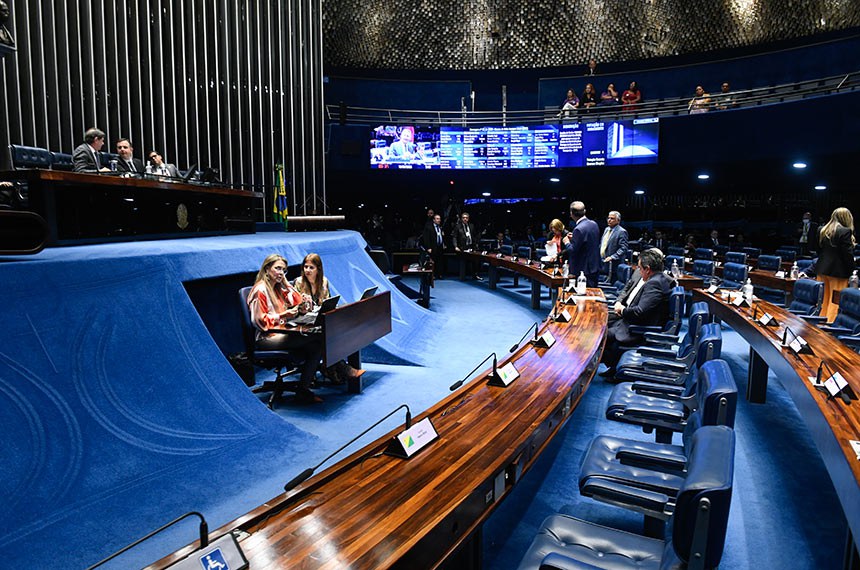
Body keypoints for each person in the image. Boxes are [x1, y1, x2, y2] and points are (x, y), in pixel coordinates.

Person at [247, 254, 324, 403]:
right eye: (277, 268)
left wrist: (287, 284)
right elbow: (259, 322)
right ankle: (305, 388)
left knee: (316, 345)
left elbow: (297, 301)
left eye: (284, 270)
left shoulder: (277, 287)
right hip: (266, 338)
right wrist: (284, 315)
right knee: (316, 337)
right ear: (267, 269)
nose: (281, 273)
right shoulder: (260, 290)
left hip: (280, 333)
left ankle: (303, 390)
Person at [600, 248, 673, 377]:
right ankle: (614, 368)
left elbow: (640, 312)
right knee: (602, 326)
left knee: (601, 335)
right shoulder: (659, 278)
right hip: (635, 321)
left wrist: (622, 310)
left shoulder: (654, 283)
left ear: (648, 269)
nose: (638, 271)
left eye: (640, 268)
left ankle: (616, 370)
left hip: (640, 328)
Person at [293, 253, 366, 383]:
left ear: (318, 269)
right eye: (306, 267)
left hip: (320, 320)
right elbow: (296, 308)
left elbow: (326, 304)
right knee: (327, 338)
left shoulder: (323, 281)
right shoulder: (298, 283)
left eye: (311, 267)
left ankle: (332, 369)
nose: (307, 271)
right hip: (304, 324)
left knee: (341, 332)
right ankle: (341, 368)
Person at [815, 207, 856, 322]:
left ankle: (819, 322)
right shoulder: (845, 231)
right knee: (835, 301)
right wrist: (853, 272)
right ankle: (830, 325)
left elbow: (818, 250)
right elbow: (847, 255)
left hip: (822, 269)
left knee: (822, 299)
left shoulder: (821, 230)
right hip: (839, 272)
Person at [562, 201, 601, 286]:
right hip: (594, 267)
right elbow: (588, 243)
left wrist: (567, 242)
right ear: (585, 211)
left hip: (583, 269)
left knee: (583, 296)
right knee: (592, 294)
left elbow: (572, 251)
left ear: (571, 213)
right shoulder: (594, 224)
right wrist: (575, 238)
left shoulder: (578, 229)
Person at [600, 210, 629, 283]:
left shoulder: (622, 231)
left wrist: (613, 257)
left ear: (618, 221)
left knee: (612, 283)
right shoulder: (606, 229)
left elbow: (623, 248)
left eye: (612, 218)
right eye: (608, 218)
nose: (609, 220)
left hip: (613, 265)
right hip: (603, 263)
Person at [454, 212, 483, 280]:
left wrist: (475, 245)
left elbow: (474, 236)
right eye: (463, 218)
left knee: (475, 261)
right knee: (464, 262)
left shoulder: (471, 226)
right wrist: (455, 246)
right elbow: (454, 237)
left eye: (466, 218)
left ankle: (475, 275)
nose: (465, 219)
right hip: (462, 247)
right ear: (461, 219)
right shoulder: (458, 226)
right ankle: (463, 276)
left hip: (471, 246)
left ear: (468, 219)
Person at [422, 213, 446, 278]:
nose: (439, 220)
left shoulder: (440, 227)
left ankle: (440, 274)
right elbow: (426, 238)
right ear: (434, 220)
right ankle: (433, 275)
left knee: (440, 261)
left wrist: (443, 244)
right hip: (432, 247)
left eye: (439, 219)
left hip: (440, 247)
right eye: (437, 219)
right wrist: (428, 247)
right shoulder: (429, 227)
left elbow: (441, 236)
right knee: (433, 261)